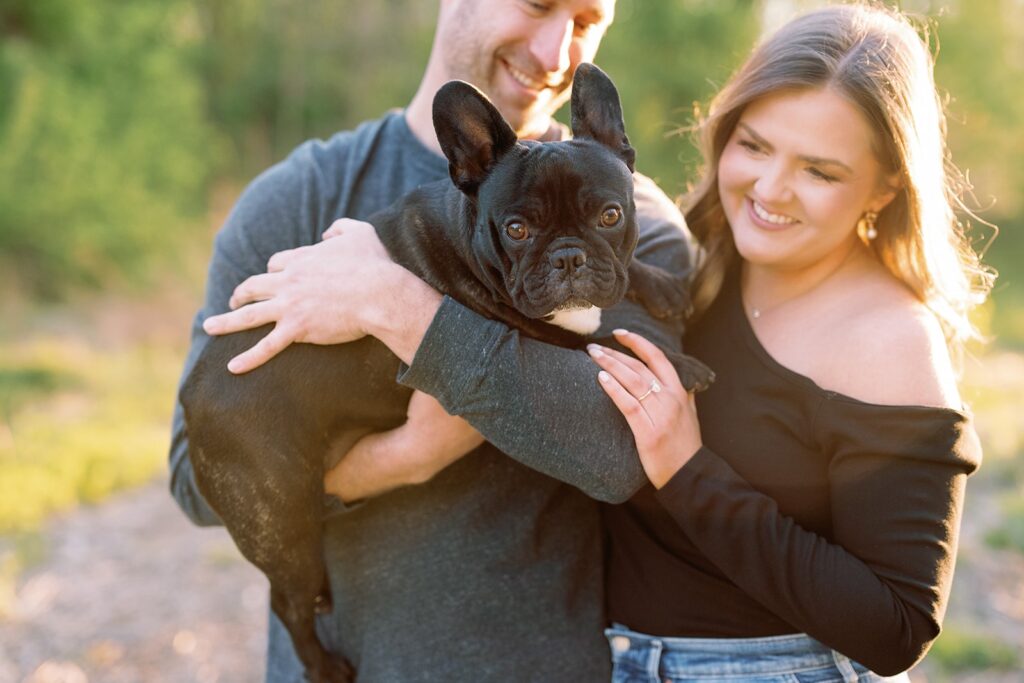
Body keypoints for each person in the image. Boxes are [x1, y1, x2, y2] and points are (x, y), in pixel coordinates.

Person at [169, 0, 696, 680]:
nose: (555, 48)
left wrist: (395, 305)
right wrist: (400, 457)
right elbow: (196, 473)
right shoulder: (302, 194)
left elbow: (620, 452)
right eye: (537, 3)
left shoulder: (632, 217)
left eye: (588, 20)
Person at [586, 3, 994, 681]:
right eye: (754, 145)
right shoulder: (698, 255)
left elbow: (897, 627)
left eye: (820, 171)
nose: (770, 190)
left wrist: (690, 471)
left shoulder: (889, 339)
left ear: (886, 186)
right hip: (607, 651)